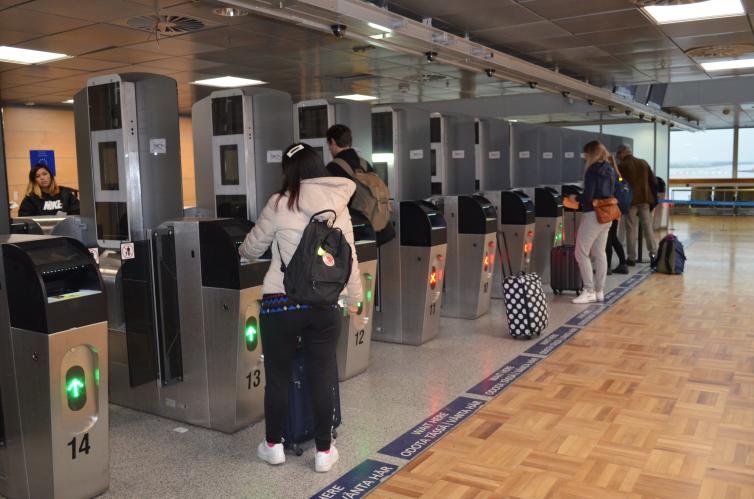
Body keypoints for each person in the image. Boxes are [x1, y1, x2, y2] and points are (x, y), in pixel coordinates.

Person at [238, 143, 362, 473]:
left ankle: (273, 446)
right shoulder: (338, 203)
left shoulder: (279, 203)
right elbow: (350, 258)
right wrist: (354, 298)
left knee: (277, 376)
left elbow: (252, 247)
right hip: (323, 305)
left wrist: (243, 248)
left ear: (288, 170)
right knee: (322, 375)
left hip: (280, 304)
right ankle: (323, 452)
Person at [325, 124, 396, 246]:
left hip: (352, 232)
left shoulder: (333, 168)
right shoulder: (364, 164)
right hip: (376, 229)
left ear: (332, 142)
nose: (329, 149)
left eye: (329, 145)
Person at [569, 140, 616, 305]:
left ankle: (588, 290)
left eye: (586, 154)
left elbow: (588, 197)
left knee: (580, 252)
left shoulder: (592, 170)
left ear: (591, 153)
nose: (584, 157)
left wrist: (576, 198)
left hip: (593, 215)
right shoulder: (609, 168)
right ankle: (599, 291)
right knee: (600, 253)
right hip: (607, 214)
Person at [617, 144, 658, 265]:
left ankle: (631, 257)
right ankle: (653, 253)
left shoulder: (622, 166)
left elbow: (619, 181)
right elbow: (653, 180)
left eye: (619, 154)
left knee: (631, 228)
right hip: (645, 200)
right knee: (648, 227)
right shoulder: (643, 163)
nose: (618, 157)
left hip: (630, 201)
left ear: (623, 152)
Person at [606, 156, 629, 275]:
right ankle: (623, 264)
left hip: (610, 209)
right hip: (617, 209)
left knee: (608, 239)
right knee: (613, 237)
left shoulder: (608, 174)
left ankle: (608, 267)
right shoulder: (618, 174)